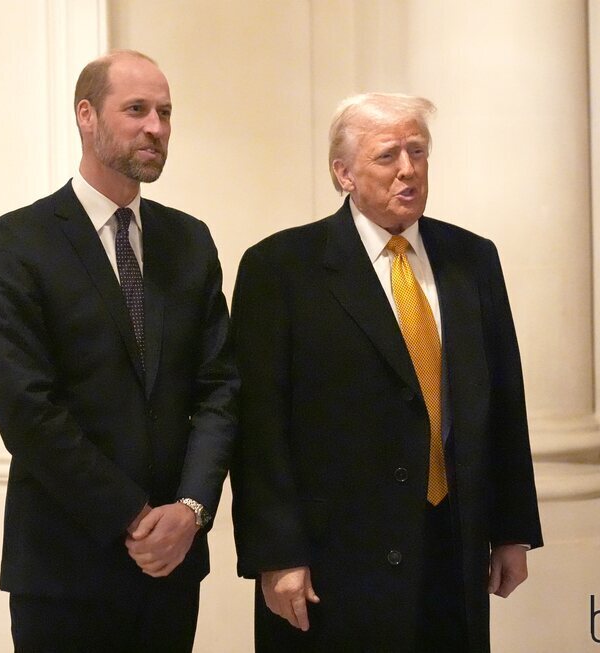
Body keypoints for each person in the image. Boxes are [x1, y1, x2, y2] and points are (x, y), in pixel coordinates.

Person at [230, 93, 543, 652]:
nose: (408, 169)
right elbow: (258, 429)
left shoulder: (473, 259)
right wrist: (277, 555)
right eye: (387, 156)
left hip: (453, 543)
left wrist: (512, 530)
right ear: (343, 173)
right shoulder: (281, 268)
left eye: (417, 152)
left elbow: (503, 397)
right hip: (335, 561)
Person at [0, 50, 237, 652]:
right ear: (86, 116)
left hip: (172, 565)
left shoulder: (190, 241)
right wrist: (134, 515)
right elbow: (26, 408)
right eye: (137, 109)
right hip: (64, 563)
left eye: (166, 113)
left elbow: (220, 388)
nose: (156, 127)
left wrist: (191, 511)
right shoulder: (20, 241)